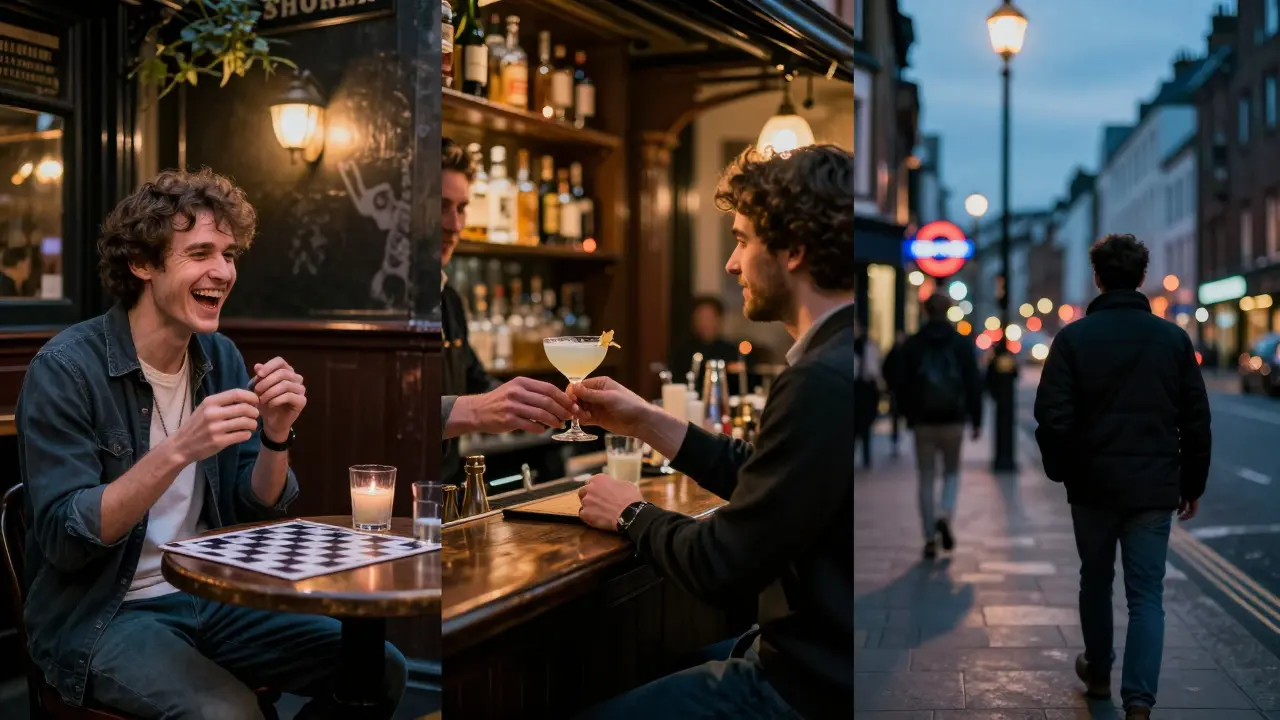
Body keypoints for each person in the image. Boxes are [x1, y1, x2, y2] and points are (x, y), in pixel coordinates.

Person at [15, 169, 407, 719]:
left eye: (229, 254)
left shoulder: (217, 356)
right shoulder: (66, 369)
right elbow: (65, 536)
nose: (222, 271)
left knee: (380, 668)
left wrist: (276, 434)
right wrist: (180, 449)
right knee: (230, 713)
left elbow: (256, 506)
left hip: (212, 596)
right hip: (103, 614)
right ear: (142, 264)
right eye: (200, 252)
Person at [568, 144, 854, 719]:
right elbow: (767, 477)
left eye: (742, 239)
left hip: (803, 689)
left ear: (793, 250)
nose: (731, 263)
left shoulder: (821, 379)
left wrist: (631, 511)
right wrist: (648, 421)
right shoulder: (837, 354)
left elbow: (723, 566)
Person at [1033, 233, 1211, 719]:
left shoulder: (1072, 339)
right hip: (1154, 487)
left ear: (1097, 278)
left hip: (1092, 485)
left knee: (1095, 579)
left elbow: (1052, 414)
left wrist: (1063, 470)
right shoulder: (1173, 339)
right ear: (1141, 278)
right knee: (1146, 595)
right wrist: (1191, 485)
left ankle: (1098, 671)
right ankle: (1139, 702)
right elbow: (1195, 418)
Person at [439, 137, 578, 485]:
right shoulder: (377, 302)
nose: (455, 225)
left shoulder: (447, 298)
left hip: (445, 496)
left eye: (461, 208)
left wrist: (545, 404)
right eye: (440, 206)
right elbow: (373, 413)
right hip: (380, 503)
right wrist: (477, 410)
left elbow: (477, 381)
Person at [889, 293, 982, 559]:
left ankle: (929, 537)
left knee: (926, 476)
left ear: (925, 311)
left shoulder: (913, 344)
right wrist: (975, 419)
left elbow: (900, 383)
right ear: (948, 311)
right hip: (953, 419)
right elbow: (973, 383)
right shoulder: (960, 344)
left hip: (923, 421)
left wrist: (909, 414)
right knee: (952, 473)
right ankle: (945, 513)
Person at [670, 295, 743, 393]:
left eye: (709, 317)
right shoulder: (683, 351)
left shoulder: (730, 350)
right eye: (700, 317)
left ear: (719, 320)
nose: (704, 322)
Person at [853, 316, 881, 468]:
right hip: (855, 388)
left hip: (865, 391)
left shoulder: (868, 345)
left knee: (864, 428)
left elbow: (873, 370)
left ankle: (866, 458)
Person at [882, 330, 908, 457]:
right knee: (896, 417)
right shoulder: (896, 353)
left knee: (897, 416)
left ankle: (898, 439)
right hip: (896, 390)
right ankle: (896, 440)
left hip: (900, 390)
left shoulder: (903, 352)